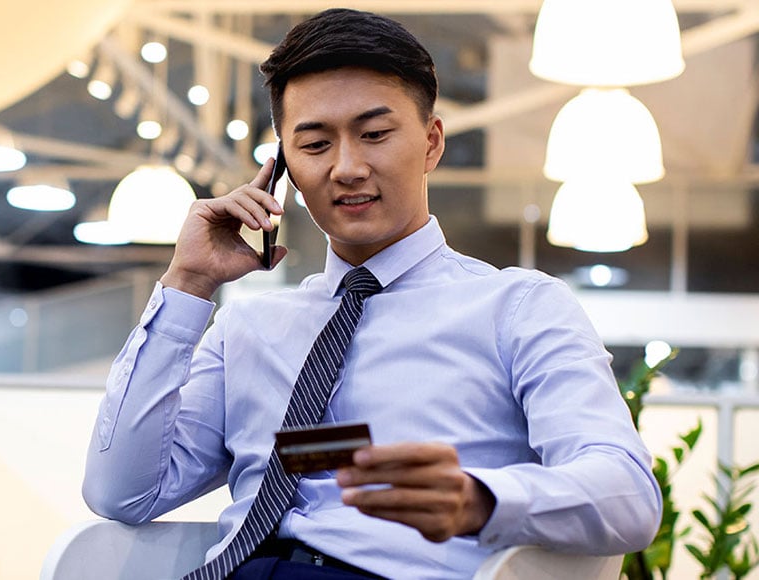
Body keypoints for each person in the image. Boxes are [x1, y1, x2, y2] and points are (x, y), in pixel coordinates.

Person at [83, 8, 661, 580]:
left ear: (431, 143)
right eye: (315, 144)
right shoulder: (246, 329)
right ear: (283, 168)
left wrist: (480, 499)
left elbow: (628, 494)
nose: (347, 168)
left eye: (375, 135)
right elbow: (122, 494)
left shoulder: (517, 308)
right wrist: (188, 283)